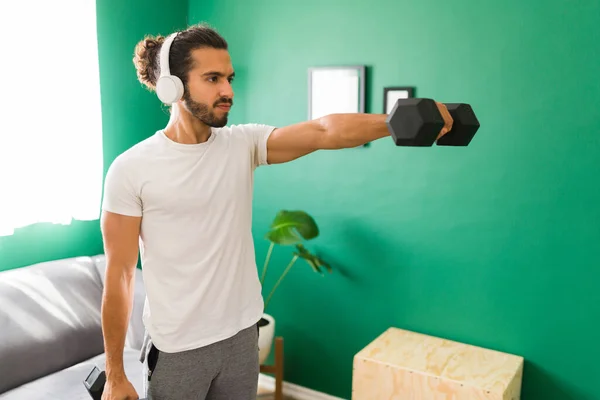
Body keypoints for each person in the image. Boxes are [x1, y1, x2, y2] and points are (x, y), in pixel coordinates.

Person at [99, 23, 453, 400]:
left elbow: (322, 131)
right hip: (178, 349)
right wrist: (115, 374)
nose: (228, 92)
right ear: (172, 85)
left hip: (240, 336)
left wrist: (400, 121)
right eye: (213, 78)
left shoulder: (242, 144)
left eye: (230, 78)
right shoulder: (132, 168)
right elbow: (120, 276)